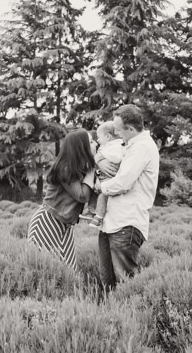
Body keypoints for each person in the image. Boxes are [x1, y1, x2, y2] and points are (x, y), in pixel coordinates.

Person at [94, 104, 159, 291]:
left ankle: (130, 317)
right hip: (111, 222)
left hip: (126, 223)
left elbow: (123, 183)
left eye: (119, 130)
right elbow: (104, 155)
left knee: (126, 282)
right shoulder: (129, 145)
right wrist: (99, 160)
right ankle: (111, 316)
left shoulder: (143, 148)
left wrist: (100, 186)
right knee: (107, 281)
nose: (116, 134)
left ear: (130, 129)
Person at [28, 129, 95, 269]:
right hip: (48, 222)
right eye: (91, 142)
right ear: (82, 147)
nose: (96, 144)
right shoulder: (64, 168)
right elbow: (82, 196)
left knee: (69, 271)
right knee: (48, 270)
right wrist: (92, 171)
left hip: (64, 224)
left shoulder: (77, 168)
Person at [79, 121, 125, 228]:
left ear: (108, 136)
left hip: (109, 177)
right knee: (95, 194)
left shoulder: (116, 146)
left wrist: (100, 157)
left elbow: (116, 157)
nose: (97, 141)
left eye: (99, 137)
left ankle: (98, 216)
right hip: (101, 176)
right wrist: (98, 161)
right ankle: (92, 211)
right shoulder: (107, 146)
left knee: (102, 196)